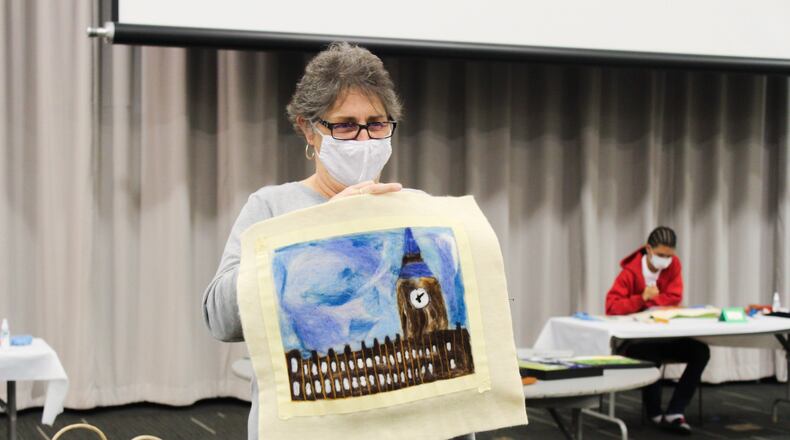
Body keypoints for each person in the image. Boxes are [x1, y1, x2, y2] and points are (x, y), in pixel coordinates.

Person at [203, 42, 473, 440]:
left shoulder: (422, 216)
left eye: (377, 123)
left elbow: (453, 336)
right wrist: (318, 229)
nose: (363, 138)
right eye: (345, 125)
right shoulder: (272, 207)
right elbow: (220, 319)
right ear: (308, 129)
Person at [605, 226, 710, 435]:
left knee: (700, 351)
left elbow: (675, 296)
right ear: (649, 250)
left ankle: (675, 411)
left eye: (670, 256)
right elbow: (612, 307)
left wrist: (650, 300)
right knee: (650, 355)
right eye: (661, 255)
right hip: (636, 342)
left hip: (665, 336)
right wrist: (640, 298)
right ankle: (654, 413)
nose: (666, 260)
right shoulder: (630, 272)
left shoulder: (673, 266)